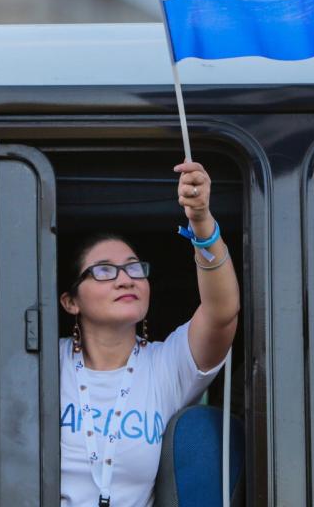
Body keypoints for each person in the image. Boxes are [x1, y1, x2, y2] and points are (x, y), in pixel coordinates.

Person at [59, 161, 240, 507]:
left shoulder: (163, 366)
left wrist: (202, 223)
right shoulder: (42, 362)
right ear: (70, 302)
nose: (125, 278)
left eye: (133, 268)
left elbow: (221, 313)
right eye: (104, 271)